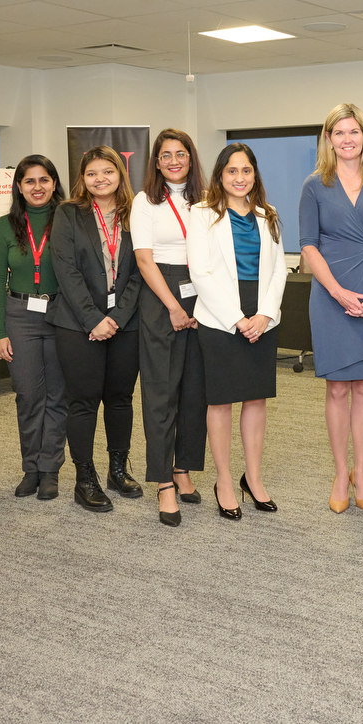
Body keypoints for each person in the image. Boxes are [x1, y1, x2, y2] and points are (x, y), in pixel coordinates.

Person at [299, 104, 363, 514]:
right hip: (330, 293)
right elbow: (308, 245)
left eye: (353, 132)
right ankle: (341, 472)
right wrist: (339, 293)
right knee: (337, 387)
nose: (347, 139)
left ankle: (362, 469)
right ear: (328, 139)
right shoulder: (314, 185)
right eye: (338, 132)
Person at [188, 143, 287, 522]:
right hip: (219, 316)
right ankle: (225, 481)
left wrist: (263, 314)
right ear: (220, 175)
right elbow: (201, 272)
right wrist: (236, 318)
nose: (240, 178)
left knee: (256, 399)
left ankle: (254, 478)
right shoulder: (202, 213)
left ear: (255, 175)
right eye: (232, 171)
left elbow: (279, 269)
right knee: (221, 402)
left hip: (261, 312)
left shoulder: (269, 214)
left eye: (247, 171)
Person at [47, 146, 143, 513]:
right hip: (77, 323)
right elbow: (66, 271)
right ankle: (84, 478)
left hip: (126, 322)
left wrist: (117, 317)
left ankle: (118, 470)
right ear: (82, 179)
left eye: (108, 171)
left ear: (120, 173)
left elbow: (139, 271)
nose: (100, 179)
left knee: (120, 398)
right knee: (83, 401)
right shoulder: (69, 213)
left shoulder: (137, 212)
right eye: (92, 173)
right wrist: (93, 319)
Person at [133, 129, 209, 527]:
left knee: (195, 391)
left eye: (181, 154)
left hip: (203, 294)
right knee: (161, 391)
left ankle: (184, 468)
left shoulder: (206, 200)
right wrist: (174, 307)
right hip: (161, 296)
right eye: (166, 155)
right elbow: (144, 261)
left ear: (191, 158)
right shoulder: (145, 200)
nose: (174, 161)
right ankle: (163, 480)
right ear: (156, 162)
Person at [0, 155, 67, 502]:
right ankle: (31, 467)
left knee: (58, 396)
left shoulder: (68, 221)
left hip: (61, 315)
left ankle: (50, 469)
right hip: (19, 316)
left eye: (44, 180)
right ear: (18, 187)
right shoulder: (4, 226)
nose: (38, 187)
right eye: (29, 181)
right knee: (28, 395)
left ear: (54, 183)